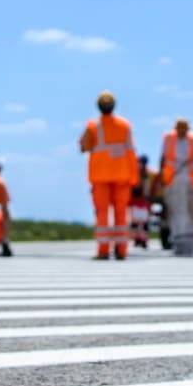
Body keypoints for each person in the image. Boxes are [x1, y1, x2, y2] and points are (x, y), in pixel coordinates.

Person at [79, 90, 138, 260]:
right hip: (122, 175)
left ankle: (103, 250)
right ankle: (121, 250)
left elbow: (83, 146)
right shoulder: (125, 125)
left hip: (101, 176)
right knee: (121, 213)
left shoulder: (93, 126)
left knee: (102, 213)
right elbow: (131, 152)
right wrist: (134, 177)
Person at [158, 118, 193, 256]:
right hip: (173, 181)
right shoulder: (168, 138)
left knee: (190, 213)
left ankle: (189, 246)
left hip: (190, 181)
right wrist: (162, 180)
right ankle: (178, 243)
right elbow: (162, 159)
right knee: (175, 212)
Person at [129, 155, 155, 249]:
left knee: (142, 222)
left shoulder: (147, 174)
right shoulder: (139, 173)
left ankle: (142, 240)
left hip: (143, 201)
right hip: (138, 201)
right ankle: (138, 239)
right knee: (138, 222)